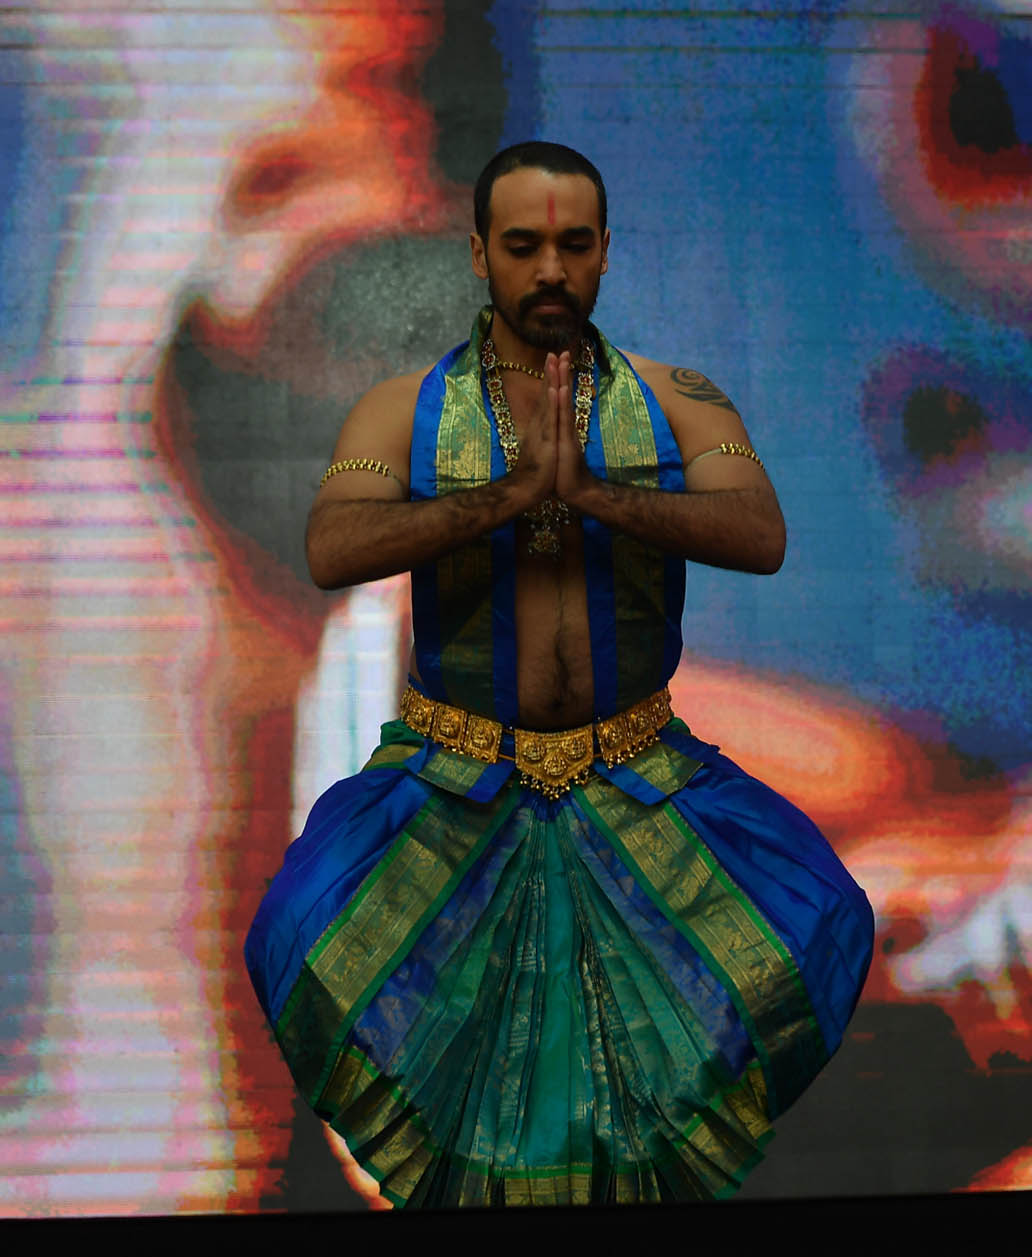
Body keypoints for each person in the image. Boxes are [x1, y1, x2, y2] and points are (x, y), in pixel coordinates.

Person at [242, 141, 874, 1207]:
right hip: (454, 793)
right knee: (307, 952)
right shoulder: (402, 411)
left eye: (573, 245)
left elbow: (756, 533)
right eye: (523, 245)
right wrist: (501, 496)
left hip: (640, 785)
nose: (548, 271)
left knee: (825, 922)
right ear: (481, 253)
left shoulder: (679, 399)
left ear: (603, 257)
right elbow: (336, 550)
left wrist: (592, 490)